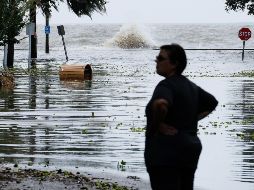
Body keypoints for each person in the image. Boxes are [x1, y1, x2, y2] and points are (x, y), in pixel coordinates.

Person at [144, 44, 218, 190]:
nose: (156, 61)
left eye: (160, 58)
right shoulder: (191, 86)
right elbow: (212, 102)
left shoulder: (165, 85)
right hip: (190, 150)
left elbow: (161, 104)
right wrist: (191, 119)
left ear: (174, 64)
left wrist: (156, 125)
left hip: (166, 153)